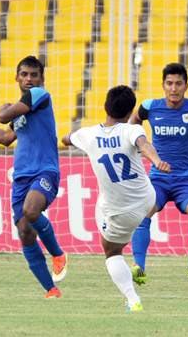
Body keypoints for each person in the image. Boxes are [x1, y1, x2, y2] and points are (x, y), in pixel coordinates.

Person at [0, 56, 67, 298]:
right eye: (24, 75)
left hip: (45, 170)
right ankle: (51, 290)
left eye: (34, 75)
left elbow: (2, 116)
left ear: (41, 78)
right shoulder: (22, 113)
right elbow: (4, 138)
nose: (29, 79)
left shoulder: (39, 95)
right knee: (24, 231)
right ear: (17, 78)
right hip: (21, 176)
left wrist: (3, 109)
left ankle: (58, 254)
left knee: (32, 212)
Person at [62, 85, 170, 312]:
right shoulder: (131, 130)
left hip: (122, 211)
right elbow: (144, 144)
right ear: (131, 111)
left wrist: (66, 138)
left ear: (105, 107)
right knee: (103, 205)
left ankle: (133, 299)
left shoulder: (87, 134)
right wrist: (156, 160)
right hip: (147, 198)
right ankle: (139, 259)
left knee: (111, 251)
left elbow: (65, 139)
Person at [128, 63, 188, 291]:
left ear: (186, 86)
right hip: (158, 178)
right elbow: (134, 123)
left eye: (178, 83)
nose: (174, 88)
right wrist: (138, 146)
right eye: (169, 83)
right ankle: (139, 267)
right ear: (163, 85)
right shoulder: (150, 107)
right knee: (142, 211)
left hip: (185, 179)